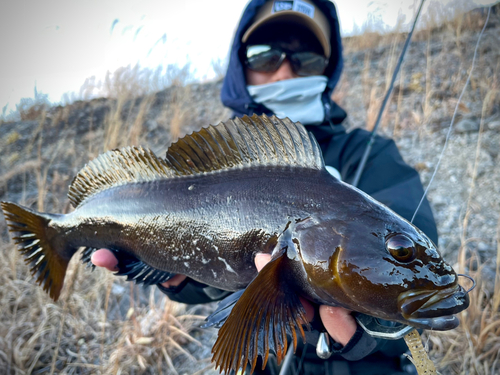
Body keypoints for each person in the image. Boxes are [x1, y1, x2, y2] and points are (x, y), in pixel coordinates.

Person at [92, 1, 437, 373]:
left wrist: (379, 327)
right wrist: (185, 279)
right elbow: (209, 283)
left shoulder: (373, 156)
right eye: (265, 56)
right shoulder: (210, 165)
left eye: (305, 59)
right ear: (240, 66)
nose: (285, 72)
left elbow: (402, 276)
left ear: (328, 68)